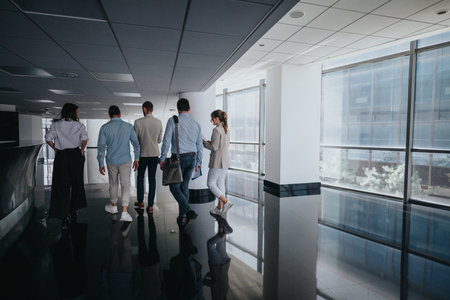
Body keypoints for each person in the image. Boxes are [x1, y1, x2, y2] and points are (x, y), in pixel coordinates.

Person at [45, 102, 88, 231]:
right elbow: (85, 139)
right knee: (76, 183)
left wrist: (56, 149)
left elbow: (48, 138)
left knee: (61, 187)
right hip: (75, 155)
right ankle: (73, 208)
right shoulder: (79, 125)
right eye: (77, 112)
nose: (78, 114)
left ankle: (64, 217)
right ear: (73, 112)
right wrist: (81, 150)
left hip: (62, 157)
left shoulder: (56, 124)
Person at [160, 98, 202, 228]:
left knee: (174, 187)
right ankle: (183, 216)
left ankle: (188, 211)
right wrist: (199, 162)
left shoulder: (172, 121)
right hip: (192, 158)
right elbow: (199, 145)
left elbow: (166, 141)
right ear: (189, 109)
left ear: (178, 109)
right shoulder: (196, 124)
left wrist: (162, 159)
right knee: (184, 186)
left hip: (177, 159)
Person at [97, 105, 140, 222]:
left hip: (111, 160)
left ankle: (114, 206)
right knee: (125, 184)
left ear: (109, 115)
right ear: (120, 114)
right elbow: (136, 144)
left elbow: (101, 147)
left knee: (113, 183)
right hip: (125, 160)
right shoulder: (128, 127)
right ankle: (125, 212)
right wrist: (137, 159)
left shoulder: (104, 128)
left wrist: (100, 162)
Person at [133, 101, 163, 214]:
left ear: (144, 109)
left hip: (142, 155)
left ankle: (140, 201)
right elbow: (159, 140)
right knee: (152, 179)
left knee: (140, 177)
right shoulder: (159, 122)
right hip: (154, 154)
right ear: (152, 109)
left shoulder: (138, 122)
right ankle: (150, 205)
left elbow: (135, 141)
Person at [203, 110, 233, 216]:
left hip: (217, 161)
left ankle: (226, 202)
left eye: (212, 118)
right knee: (220, 184)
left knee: (210, 183)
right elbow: (223, 145)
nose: (211, 120)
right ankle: (220, 207)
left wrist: (204, 143)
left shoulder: (216, 130)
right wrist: (211, 143)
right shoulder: (226, 129)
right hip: (225, 160)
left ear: (217, 118)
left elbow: (214, 147)